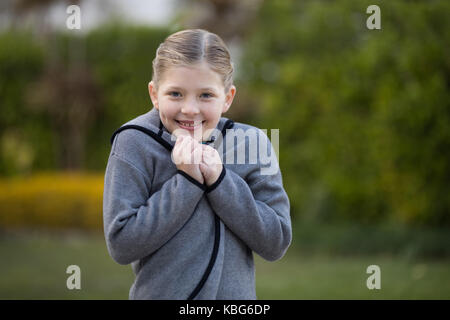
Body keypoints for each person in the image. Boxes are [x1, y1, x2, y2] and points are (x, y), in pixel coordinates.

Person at [103, 29, 291, 300]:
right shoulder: (134, 142)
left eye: (206, 95)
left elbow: (276, 242)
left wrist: (220, 181)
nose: (190, 109)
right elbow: (122, 244)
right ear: (155, 94)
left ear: (227, 97)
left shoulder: (253, 143)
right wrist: (187, 182)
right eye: (176, 94)